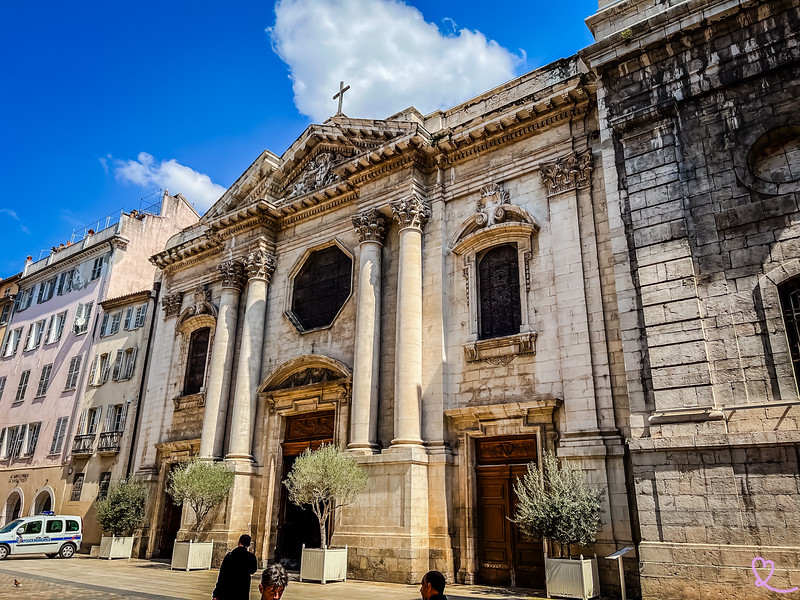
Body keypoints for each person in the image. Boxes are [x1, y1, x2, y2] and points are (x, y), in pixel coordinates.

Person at [212, 534, 259, 600]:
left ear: (239, 542)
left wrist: (216, 594)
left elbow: (222, 575)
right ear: (248, 545)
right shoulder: (251, 557)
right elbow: (253, 570)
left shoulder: (230, 555)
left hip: (227, 591)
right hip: (242, 591)